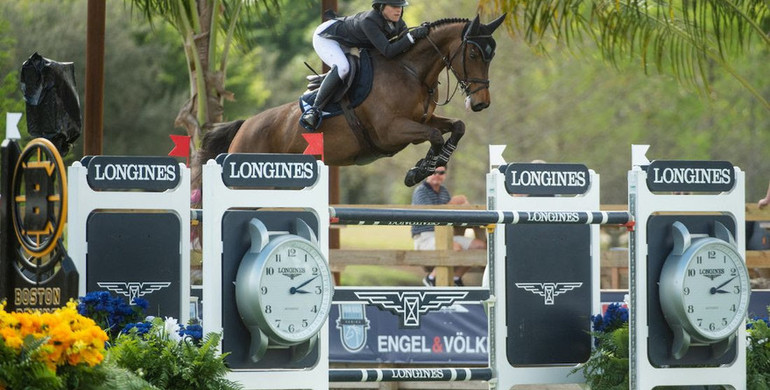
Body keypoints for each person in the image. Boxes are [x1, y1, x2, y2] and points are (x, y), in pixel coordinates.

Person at [299, 0, 429, 131]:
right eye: (394, 6)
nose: (398, 10)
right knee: (343, 68)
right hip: (328, 37)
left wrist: (421, 34)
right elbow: (388, 51)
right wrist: (412, 37)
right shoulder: (369, 21)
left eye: (400, 6)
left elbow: (404, 45)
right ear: (381, 7)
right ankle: (314, 110)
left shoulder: (398, 22)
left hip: (348, 41)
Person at [411, 166, 486, 287]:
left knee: (480, 246)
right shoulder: (421, 191)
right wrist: (453, 203)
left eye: (441, 172)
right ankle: (431, 278)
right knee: (455, 247)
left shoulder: (444, 191)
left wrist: (464, 207)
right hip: (425, 237)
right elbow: (430, 215)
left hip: (446, 236)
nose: (437, 175)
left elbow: (450, 214)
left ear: (444, 175)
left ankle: (456, 278)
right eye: (433, 172)